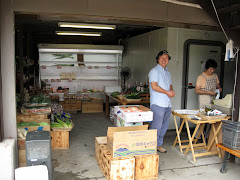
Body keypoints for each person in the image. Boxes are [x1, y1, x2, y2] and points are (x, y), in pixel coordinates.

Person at [148, 50, 175, 153]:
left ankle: (158, 145)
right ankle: (151, 146)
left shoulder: (167, 72)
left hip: (167, 103)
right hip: (158, 103)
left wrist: (171, 91)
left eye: (166, 58)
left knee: (164, 126)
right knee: (156, 126)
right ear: (158, 59)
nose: (164, 60)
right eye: (162, 57)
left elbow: (170, 84)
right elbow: (154, 86)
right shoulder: (154, 71)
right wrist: (167, 92)